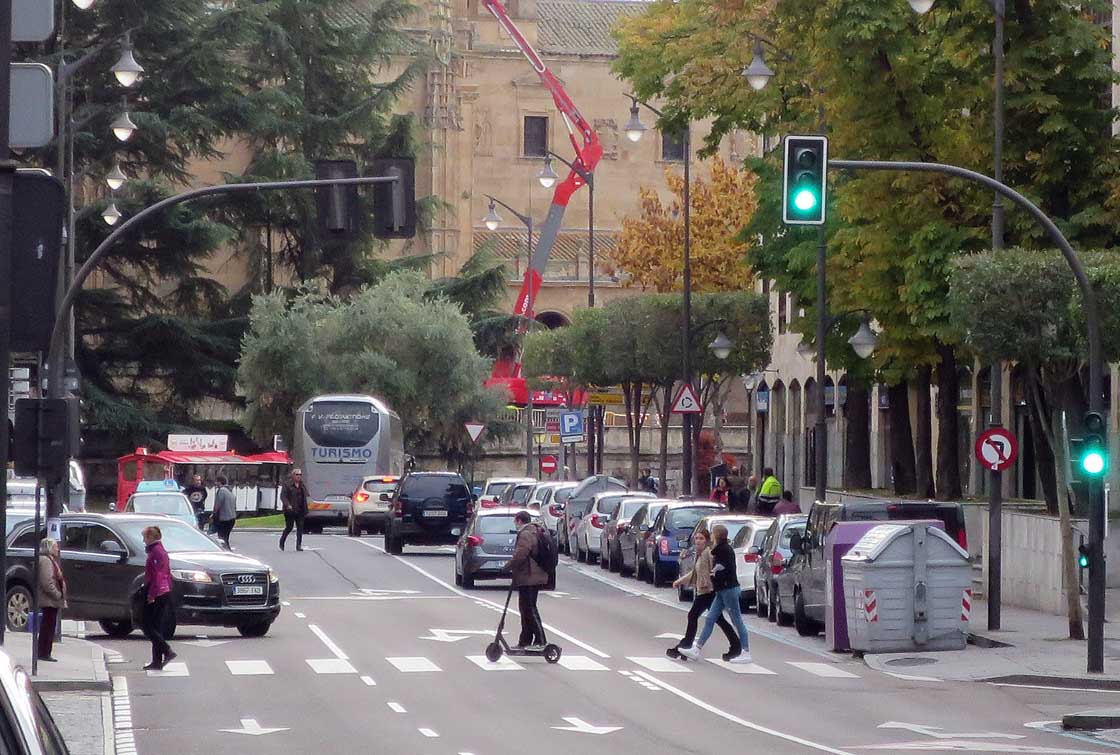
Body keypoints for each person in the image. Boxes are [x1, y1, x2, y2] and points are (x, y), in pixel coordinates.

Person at [679, 524, 752, 663]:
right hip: (720, 591)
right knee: (710, 618)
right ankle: (696, 649)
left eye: (712, 534)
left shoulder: (724, 550)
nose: (711, 536)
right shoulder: (718, 550)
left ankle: (746, 651)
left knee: (737, 621)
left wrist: (714, 573)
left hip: (729, 590)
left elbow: (724, 569)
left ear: (717, 535)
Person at [667, 528, 740, 661]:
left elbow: (715, 569)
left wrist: (715, 580)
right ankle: (735, 645)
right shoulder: (699, 554)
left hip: (709, 591)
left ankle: (686, 645)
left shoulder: (708, 553)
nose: (698, 541)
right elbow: (695, 573)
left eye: (701, 538)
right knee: (718, 620)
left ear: (707, 541)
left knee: (693, 615)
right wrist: (679, 581)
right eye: (696, 538)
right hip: (704, 591)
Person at [506, 510, 548, 649]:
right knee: (525, 609)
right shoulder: (534, 531)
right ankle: (525, 640)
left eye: (515, 521)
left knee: (529, 608)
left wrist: (507, 567)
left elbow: (521, 554)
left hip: (530, 576)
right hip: (530, 576)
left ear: (519, 520)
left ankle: (541, 640)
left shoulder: (525, 534)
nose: (515, 524)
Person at [141, 526, 176, 671]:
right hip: (163, 590)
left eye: (145, 537)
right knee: (156, 626)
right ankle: (156, 661)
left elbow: (157, 576)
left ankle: (167, 650)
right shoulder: (159, 551)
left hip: (158, 592)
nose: (144, 540)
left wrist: (151, 594)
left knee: (147, 625)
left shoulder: (156, 552)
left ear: (151, 538)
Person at [37, 539, 66, 662]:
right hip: (49, 599)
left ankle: (45, 652)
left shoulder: (50, 560)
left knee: (49, 625)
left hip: (52, 599)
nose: (57, 549)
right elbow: (47, 582)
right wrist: (57, 594)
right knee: (48, 626)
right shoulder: (45, 561)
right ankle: (44, 652)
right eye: (55, 547)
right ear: (49, 547)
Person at [280, 468, 308, 552]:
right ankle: (282, 541)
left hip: (300, 509)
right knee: (289, 527)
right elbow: (283, 496)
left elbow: (305, 494)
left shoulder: (302, 484)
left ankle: (298, 545)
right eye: (297, 474)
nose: (299, 476)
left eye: (300, 475)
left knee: (300, 527)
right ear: (293, 475)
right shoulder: (287, 484)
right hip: (290, 510)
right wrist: (287, 505)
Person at [211, 475, 237, 545]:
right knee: (226, 538)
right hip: (232, 518)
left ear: (220, 482)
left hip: (224, 519)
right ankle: (227, 550)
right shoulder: (230, 491)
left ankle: (226, 551)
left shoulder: (221, 491)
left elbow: (217, 505)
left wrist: (213, 515)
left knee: (222, 538)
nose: (215, 483)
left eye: (216, 482)